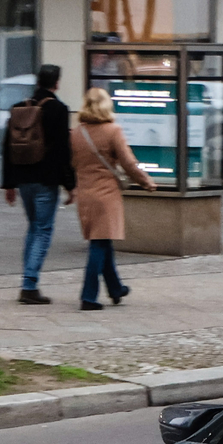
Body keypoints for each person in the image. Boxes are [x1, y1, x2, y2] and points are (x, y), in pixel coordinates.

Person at [69, 85, 155, 311]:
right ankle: (88, 296)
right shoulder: (112, 130)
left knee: (102, 240)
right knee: (99, 243)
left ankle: (115, 288)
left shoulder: (77, 133)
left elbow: (72, 163)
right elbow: (127, 163)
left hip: (86, 194)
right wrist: (146, 181)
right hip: (106, 195)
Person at [0, 64, 74, 305]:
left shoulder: (19, 108)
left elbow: (6, 146)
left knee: (33, 228)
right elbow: (64, 151)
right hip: (46, 179)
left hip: (23, 179)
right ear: (56, 83)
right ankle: (29, 284)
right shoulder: (58, 109)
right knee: (43, 230)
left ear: (38, 81)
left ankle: (27, 281)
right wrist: (70, 184)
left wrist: (9, 184)